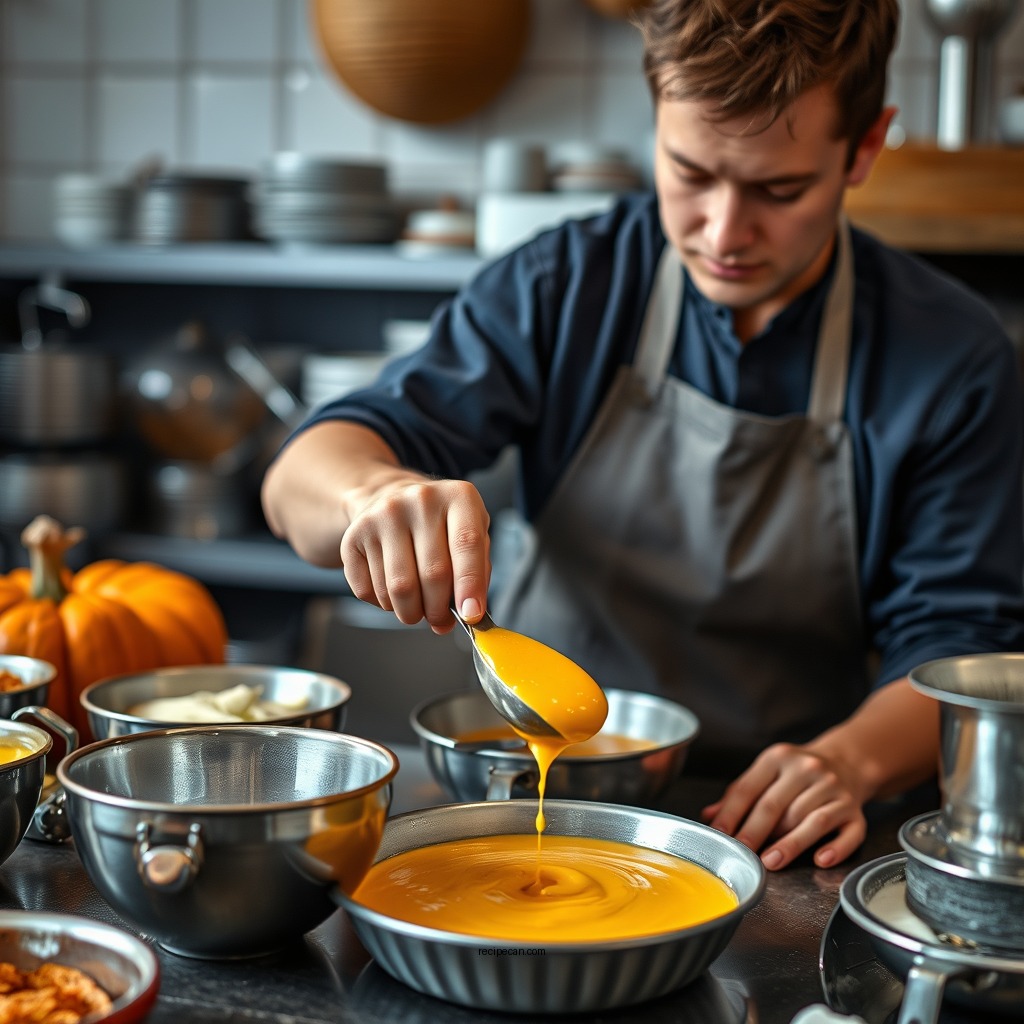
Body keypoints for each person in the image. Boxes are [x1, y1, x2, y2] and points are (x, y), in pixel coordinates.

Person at [262, 0, 1024, 871]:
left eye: (780, 189)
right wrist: (374, 494)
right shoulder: (565, 286)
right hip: (549, 787)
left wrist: (845, 761)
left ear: (866, 147)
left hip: (777, 824)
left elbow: (961, 647)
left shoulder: (950, 355)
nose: (724, 232)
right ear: (655, 114)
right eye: (689, 172)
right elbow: (296, 483)